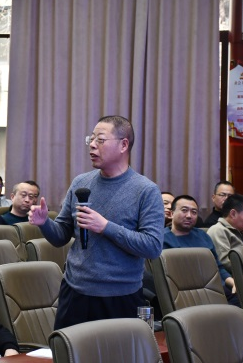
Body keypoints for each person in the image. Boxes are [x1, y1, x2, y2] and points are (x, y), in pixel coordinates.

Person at [29, 115, 164, 329]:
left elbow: (152, 246)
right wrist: (44, 222)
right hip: (75, 291)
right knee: (67, 348)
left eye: (100, 140)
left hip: (121, 297)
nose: (92, 145)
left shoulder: (146, 190)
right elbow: (61, 235)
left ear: (123, 145)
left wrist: (105, 227)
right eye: (90, 139)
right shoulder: (81, 182)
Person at [164, 195, 240, 306]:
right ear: (171, 214)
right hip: (188, 294)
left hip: (217, 289)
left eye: (194, 212)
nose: (189, 216)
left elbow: (218, 267)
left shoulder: (203, 236)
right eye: (184, 210)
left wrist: (233, 283)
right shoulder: (163, 239)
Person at [207, 194, 243, 272]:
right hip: (235, 277)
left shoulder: (239, 231)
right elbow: (226, 263)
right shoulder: (218, 230)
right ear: (233, 214)